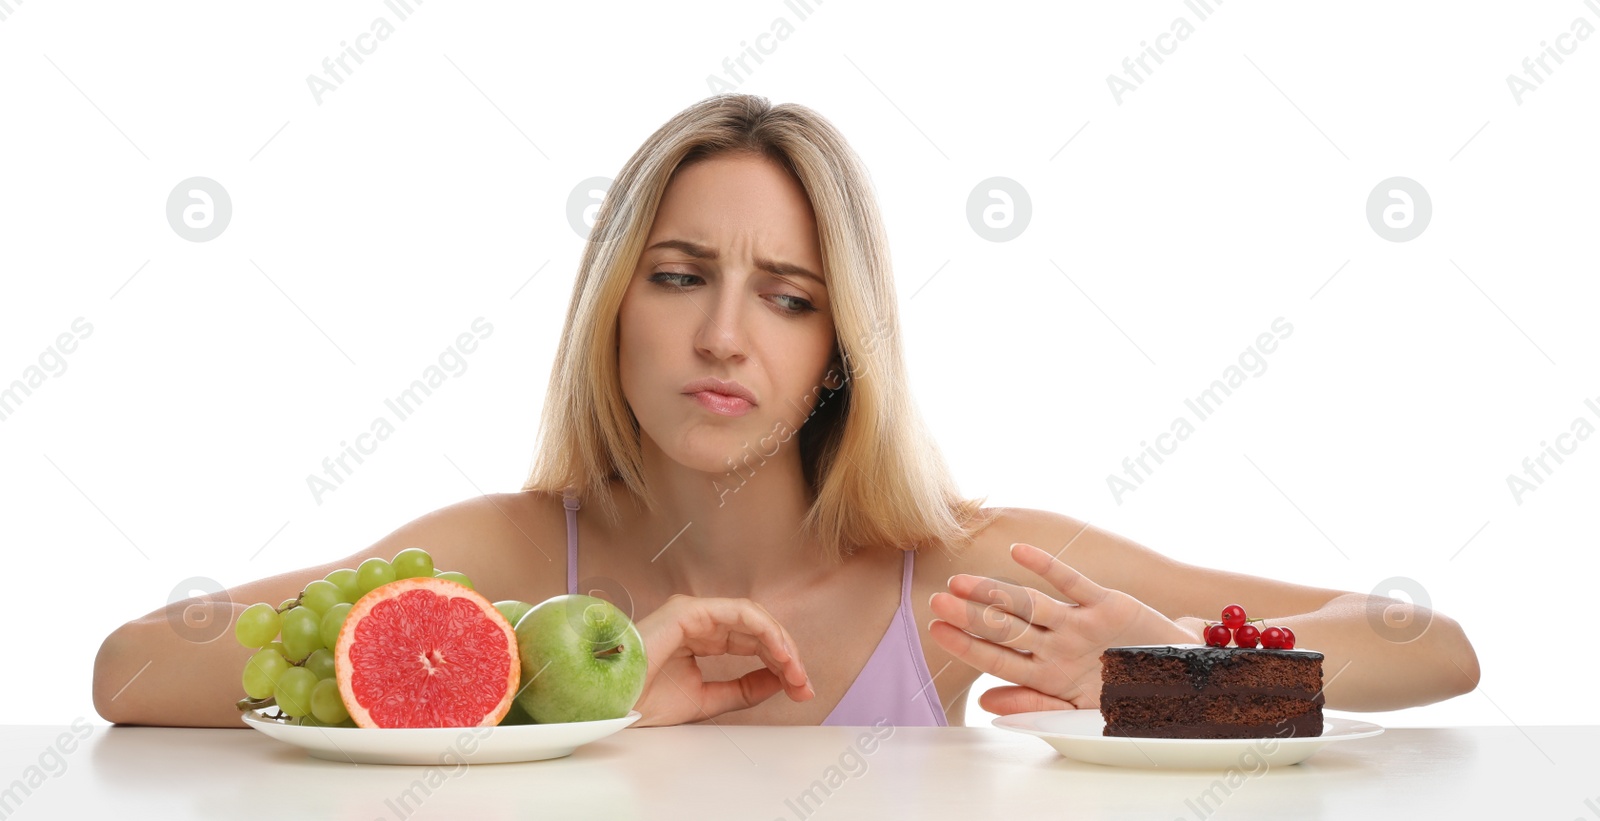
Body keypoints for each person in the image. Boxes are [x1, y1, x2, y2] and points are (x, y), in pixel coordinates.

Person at [93, 93, 1480, 729]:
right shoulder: (516, 560)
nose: (720, 333)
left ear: (841, 351)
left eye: (789, 295)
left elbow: (1432, 647)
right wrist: (574, 690)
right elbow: (134, 670)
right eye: (681, 276)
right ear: (611, 314)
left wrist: (1172, 669)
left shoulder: (963, 572)